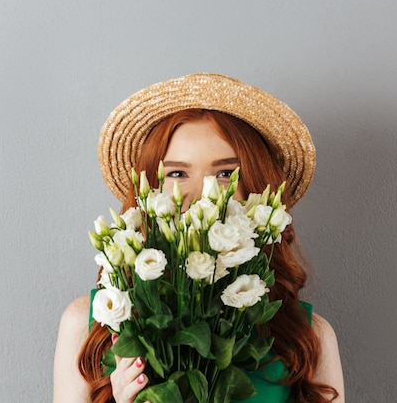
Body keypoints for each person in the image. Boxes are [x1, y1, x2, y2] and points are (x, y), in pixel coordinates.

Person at [53, 73, 345, 403]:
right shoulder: (87, 324)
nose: (202, 194)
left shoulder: (310, 337)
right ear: (150, 190)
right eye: (177, 173)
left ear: (256, 189)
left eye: (224, 174)